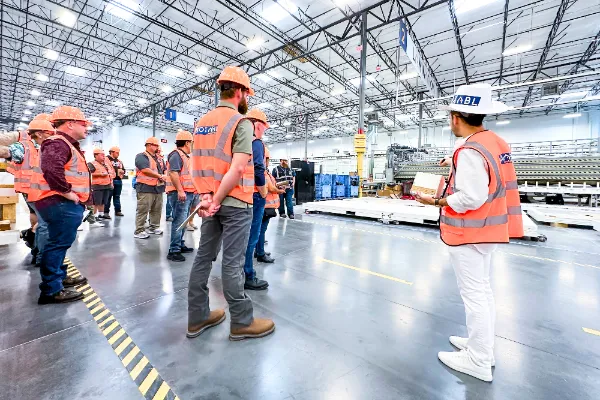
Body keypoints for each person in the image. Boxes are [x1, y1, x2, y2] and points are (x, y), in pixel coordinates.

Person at [414, 84, 523, 382]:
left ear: (457, 117)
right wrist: (454, 163)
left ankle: (478, 360)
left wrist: (435, 200)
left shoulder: (469, 150)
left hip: (470, 233)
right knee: (483, 292)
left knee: (474, 295)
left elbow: (471, 197)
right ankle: (481, 346)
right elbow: (488, 172)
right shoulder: (494, 142)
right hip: (489, 229)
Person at [188, 65, 275, 341]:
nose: (246, 97)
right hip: (235, 202)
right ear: (239, 92)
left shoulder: (201, 123)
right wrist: (217, 197)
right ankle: (241, 321)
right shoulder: (241, 122)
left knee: (204, 257)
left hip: (209, 202)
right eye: (246, 92)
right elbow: (238, 168)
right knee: (233, 262)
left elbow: (197, 165)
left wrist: (206, 196)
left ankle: (198, 317)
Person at [28, 106, 92, 304]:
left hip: (59, 201)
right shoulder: (58, 142)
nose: (86, 129)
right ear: (70, 124)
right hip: (59, 201)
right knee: (57, 244)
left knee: (60, 242)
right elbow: (51, 169)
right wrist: (68, 193)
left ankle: (60, 277)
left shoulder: (65, 144)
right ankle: (51, 289)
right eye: (83, 124)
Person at [0, 114, 54, 264]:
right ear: (39, 131)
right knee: (46, 223)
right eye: (49, 130)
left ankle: (35, 246)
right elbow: (6, 152)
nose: (52, 132)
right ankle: (41, 256)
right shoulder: (24, 146)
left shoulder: (45, 145)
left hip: (39, 189)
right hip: (33, 189)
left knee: (40, 220)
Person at [242, 108, 271, 287]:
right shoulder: (256, 142)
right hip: (254, 194)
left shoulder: (238, 140)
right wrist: (263, 191)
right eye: (264, 127)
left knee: (239, 238)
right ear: (258, 125)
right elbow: (258, 169)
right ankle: (248, 276)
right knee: (252, 237)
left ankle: (237, 274)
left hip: (240, 194)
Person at [165, 130, 196, 262]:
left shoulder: (185, 156)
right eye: (192, 143)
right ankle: (174, 250)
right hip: (180, 194)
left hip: (187, 193)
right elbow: (173, 173)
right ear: (187, 143)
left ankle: (179, 244)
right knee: (179, 221)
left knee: (183, 221)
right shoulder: (176, 155)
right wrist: (180, 191)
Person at [134, 137, 167, 239]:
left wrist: (164, 175)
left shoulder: (159, 158)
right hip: (145, 187)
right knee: (143, 209)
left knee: (157, 209)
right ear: (148, 145)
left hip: (158, 188)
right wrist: (160, 176)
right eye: (155, 145)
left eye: (157, 145)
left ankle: (154, 227)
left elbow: (164, 169)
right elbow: (145, 170)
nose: (157, 147)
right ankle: (139, 230)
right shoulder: (141, 156)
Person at [255, 146, 283, 263]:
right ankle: (260, 253)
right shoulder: (262, 172)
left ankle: (259, 250)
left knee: (260, 230)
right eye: (267, 159)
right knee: (261, 230)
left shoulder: (265, 171)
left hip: (266, 206)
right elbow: (270, 188)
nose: (268, 161)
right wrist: (279, 190)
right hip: (265, 206)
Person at [87, 148, 114, 221]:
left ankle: (101, 215)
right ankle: (93, 217)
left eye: (104, 155)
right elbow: (88, 173)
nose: (103, 156)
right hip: (97, 186)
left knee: (103, 202)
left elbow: (110, 174)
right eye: (101, 155)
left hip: (107, 185)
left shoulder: (106, 164)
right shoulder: (91, 164)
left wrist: (111, 183)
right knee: (96, 202)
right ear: (96, 155)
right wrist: (100, 174)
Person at [105, 146, 125, 217]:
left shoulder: (119, 161)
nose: (118, 154)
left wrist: (122, 171)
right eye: (117, 153)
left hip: (118, 181)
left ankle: (118, 211)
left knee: (117, 196)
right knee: (108, 197)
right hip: (110, 181)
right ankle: (106, 212)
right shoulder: (106, 159)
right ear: (112, 152)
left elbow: (123, 169)